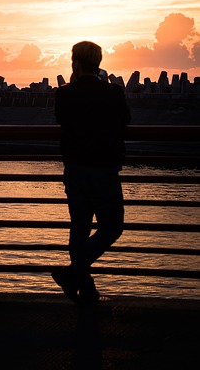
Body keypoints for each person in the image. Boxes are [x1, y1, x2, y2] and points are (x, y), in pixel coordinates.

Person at [52, 41, 131, 304]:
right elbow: (126, 120)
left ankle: (81, 283)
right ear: (98, 63)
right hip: (105, 169)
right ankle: (79, 280)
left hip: (75, 169)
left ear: (75, 63)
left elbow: (61, 119)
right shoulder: (114, 92)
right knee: (112, 227)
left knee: (79, 228)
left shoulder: (64, 94)